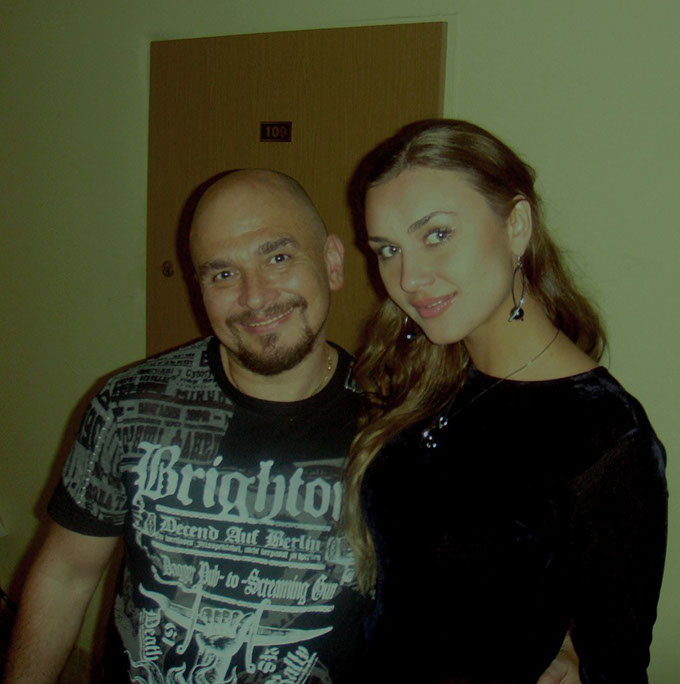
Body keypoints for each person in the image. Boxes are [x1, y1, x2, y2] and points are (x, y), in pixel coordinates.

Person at [2, 169, 579, 684]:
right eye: (223, 273)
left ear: (332, 262)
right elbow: (65, 576)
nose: (255, 297)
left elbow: (497, 563)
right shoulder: (131, 405)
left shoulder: (398, 426)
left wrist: (559, 643)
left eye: (278, 258)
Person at [343, 120, 668, 683]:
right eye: (388, 250)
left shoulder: (606, 437)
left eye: (437, 234)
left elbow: (617, 663)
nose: (409, 278)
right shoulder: (429, 370)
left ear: (516, 226)